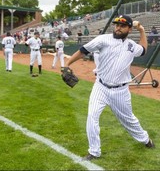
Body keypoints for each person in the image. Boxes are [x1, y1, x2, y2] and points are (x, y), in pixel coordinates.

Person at [65, 15, 155, 161]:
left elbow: (144, 49)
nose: (118, 28)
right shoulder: (103, 39)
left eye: (123, 26)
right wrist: (67, 63)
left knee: (129, 120)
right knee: (92, 116)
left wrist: (142, 31)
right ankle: (94, 151)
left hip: (121, 91)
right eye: (117, 25)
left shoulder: (131, 45)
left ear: (129, 29)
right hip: (100, 87)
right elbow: (83, 50)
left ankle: (145, 139)